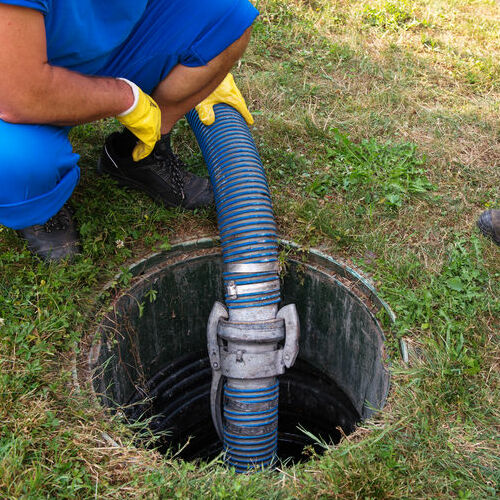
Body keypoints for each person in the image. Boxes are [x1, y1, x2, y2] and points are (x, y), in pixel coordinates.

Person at [0, 1, 258, 260]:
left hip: (93, 40)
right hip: (14, 79)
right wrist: (125, 99)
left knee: (226, 21)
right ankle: (40, 208)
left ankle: (138, 153)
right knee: (20, 162)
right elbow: (21, 97)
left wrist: (208, 53)